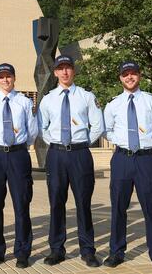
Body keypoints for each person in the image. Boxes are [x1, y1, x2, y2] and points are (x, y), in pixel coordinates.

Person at [102, 61, 152, 273]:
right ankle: (116, 251)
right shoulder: (112, 105)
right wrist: (121, 141)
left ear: (139, 76)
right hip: (122, 159)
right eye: (125, 74)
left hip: (146, 160)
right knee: (118, 208)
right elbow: (107, 130)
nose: (129, 77)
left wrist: (148, 141)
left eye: (133, 73)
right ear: (120, 78)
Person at [37, 55, 105, 267]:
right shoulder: (48, 99)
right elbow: (41, 127)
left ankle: (87, 250)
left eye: (68, 68)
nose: (65, 72)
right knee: (56, 203)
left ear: (73, 71)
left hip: (80, 154)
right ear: (55, 72)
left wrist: (82, 143)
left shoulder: (86, 97)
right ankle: (56, 249)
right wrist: (55, 143)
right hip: (56, 155)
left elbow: (98, 125)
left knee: (83, 203)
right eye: (61, 69)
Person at [0, 63, 38, 269]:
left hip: (18, 155)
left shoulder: (24, 102)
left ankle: (22, 251)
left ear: (14, 78)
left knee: (21, 205)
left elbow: (32, 131)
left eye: (9, 76)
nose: (5, 80)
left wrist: (20, 146)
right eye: (1, 76)